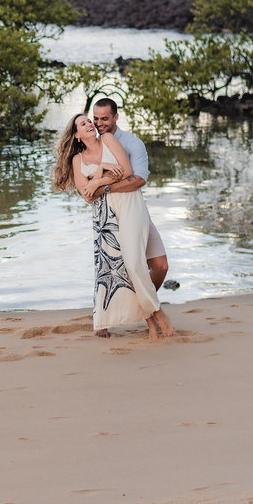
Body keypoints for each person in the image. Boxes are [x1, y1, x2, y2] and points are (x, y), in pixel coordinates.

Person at [52, 112, 173, 341]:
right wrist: (102, 170)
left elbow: (127, 172)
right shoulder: (78, 160)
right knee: (122, 269)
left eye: (90, 121)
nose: (90, 124)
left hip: (130, 204)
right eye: (83, 123)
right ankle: (151, 322)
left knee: (134, 262)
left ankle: (159, 314)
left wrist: (98, 180)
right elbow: (87, 195)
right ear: (76, 135)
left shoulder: (108, 139)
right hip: (105, 218)